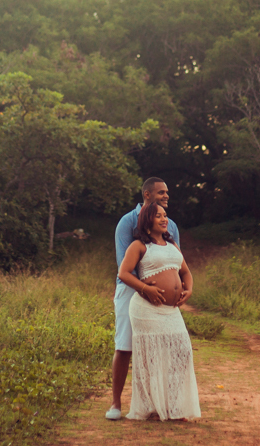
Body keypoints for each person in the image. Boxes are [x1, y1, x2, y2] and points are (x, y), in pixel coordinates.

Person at [117, 201, 200, 421]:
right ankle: (152, 408)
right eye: (158, 216)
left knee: (181, 352)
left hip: (170, 311)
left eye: (165, 215)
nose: (164, 219)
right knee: (151, 359)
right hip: (146, 309)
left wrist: (188, 289)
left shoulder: (172, 245)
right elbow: (123, 273)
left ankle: (174, 406)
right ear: (147, 221)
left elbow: (186, 272)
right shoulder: (138, 246)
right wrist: (146, 288)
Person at [106, 177, 181, 421]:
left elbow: (176, 260)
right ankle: (116, 403)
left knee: (161, 347)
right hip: (132, 291)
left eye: (167, 192)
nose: (166, 196)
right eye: (161, 192)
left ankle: (160, 404)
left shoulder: (172, 226)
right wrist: (144, 288)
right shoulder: (127, 222)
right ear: (147, 195)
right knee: (125, 345)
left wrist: (179, 287)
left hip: (160, 298)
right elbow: (124, 264)